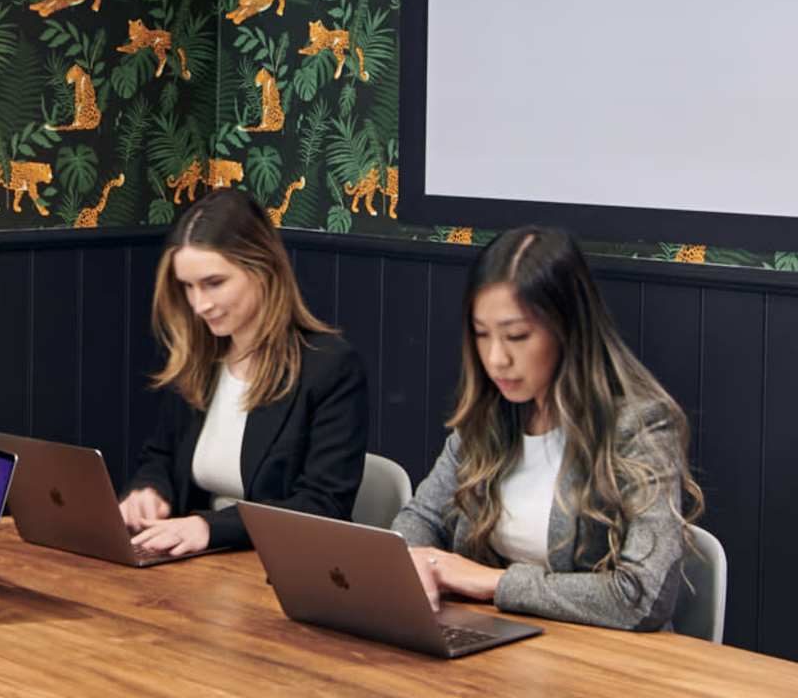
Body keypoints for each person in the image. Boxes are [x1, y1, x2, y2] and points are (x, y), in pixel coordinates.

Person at [392, 225, 700, 631]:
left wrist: (494, 582)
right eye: (482, 335)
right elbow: (420, 519)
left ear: (567, 328)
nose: (496, 358)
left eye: (516, 336)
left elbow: (641, 596)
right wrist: (414, 559)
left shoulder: (640, 425)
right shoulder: (489, 415)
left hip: (599, 657)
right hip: (496, 642)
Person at [117, 188, 370, 556]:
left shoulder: (330, 367)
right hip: (196, 566)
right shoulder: (199, 358)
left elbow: (321, 506)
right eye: (187, 287)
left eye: (214, 283)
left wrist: (211, 528)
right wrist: (150, 491)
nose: (199, 305)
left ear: (263, 269)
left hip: (282, 567)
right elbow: (161, 457)